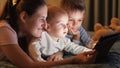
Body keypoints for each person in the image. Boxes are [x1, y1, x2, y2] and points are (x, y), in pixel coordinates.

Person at [0, 0, 96, 67]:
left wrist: (60, 52)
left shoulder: (30, 30)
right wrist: (73, 60)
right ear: (24, 17)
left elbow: (59, 43)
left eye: (46, 19)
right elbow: (29, 65)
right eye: (42, 19)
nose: (46, 25)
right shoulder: (4, 29)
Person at [28, 6, 94, 62]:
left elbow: (76, 48)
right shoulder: (42, 37)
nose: (66, 27)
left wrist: (91, 52)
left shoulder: (63, 40)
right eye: (61, 24)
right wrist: (41, 62)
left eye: (66, 24)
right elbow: (33, 49)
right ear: (48, 27)